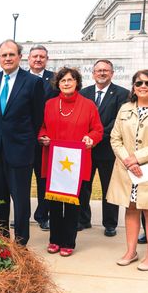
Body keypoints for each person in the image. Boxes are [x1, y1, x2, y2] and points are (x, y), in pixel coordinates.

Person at [0, 39, 45, 245]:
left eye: (12, 54)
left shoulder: (33, 82)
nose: (8, 58)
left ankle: (20, 242)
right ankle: (1, 239)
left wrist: (25, 140)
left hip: (20, 152)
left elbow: (38, 118)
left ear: (20, 57)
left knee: (20, 201)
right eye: (4, 55)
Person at [38, 68, 103, 257]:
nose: (66, 83)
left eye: (70, 80)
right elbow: (42, 127)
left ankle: (68, 242)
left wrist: (91, 138)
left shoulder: (88, 105)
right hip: (54, 161)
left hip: (77, 162)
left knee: (74, 204)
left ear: (77, 83)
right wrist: (42, 137)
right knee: (55, 202)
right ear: (57, 84)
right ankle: (54, 239)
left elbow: (97, 130)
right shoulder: (49, 104)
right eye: (63, 80)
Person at [79, 60, 130, 236]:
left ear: (112, 73)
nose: (102, 73)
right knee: (83, 186)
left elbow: (118, 121)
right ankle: (83, 219)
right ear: (93, 73)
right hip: (86, 148)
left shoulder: (122, 94)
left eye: (106, 71)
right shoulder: (83, 93)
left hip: (108, 149)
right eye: (99, 70)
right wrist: (87, 137)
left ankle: (110, 224)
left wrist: (96, 135)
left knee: (109, 187)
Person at [107, 70, 148, 270]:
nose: (143, 86)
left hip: (147, 170)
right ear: (133, 86)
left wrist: (138, 158)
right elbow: (115, 138)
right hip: (127, 170)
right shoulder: (125, 109)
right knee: (131, 209)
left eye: (147, 83)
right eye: (138, 82)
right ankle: (131, 251)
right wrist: (128, 161)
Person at [27, 45, 59, 231]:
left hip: (45, 140)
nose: (38, 59)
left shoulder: (54, 80)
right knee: (21, 181)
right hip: (24, 139)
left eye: (42, 56)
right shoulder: (20, 78)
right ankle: (23, 215)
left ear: (46, 59)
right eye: (35, 56)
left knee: (43, 179)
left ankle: (42, 215)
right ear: (28, 59)